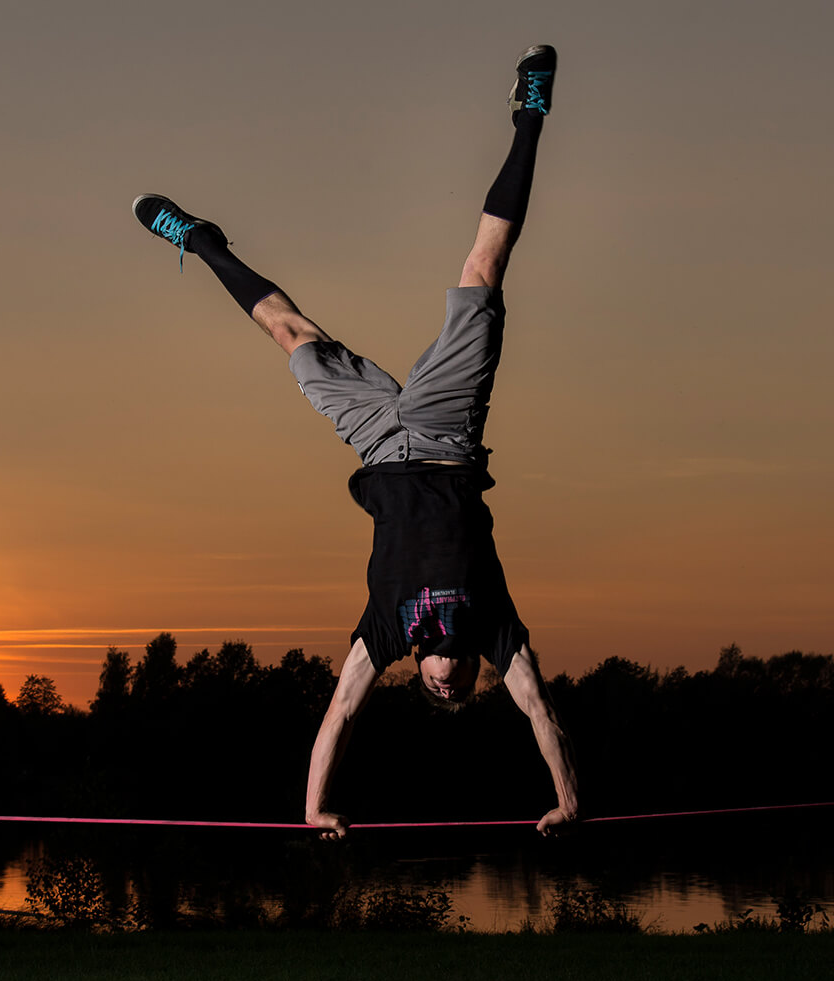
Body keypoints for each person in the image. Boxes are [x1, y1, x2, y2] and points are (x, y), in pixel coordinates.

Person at [132, 46, 579, 839]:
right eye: (461, 689)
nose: (447, 686)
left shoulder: (384, 633)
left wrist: (313, 810)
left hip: (376, 441)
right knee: (484, 269)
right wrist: (569, 799)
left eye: (437, 693)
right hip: (446, 434)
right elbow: (541, 710)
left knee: (291, 336)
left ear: (420, 676)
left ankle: (199, 241)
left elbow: (338, 714)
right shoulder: (496, 631)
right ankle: (532, 113)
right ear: (473, 671)